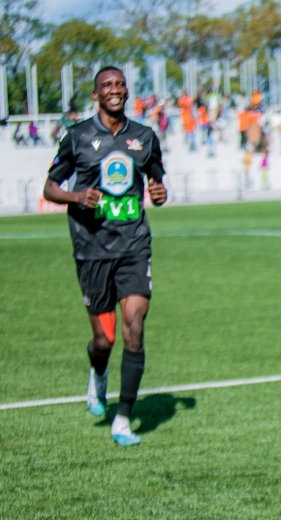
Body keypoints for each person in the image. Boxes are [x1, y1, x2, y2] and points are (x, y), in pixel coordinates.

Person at [42, 66, 167, 446]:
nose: (114, 90)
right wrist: (78, 197)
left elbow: (156, 178)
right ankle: (98, 376)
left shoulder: (144, 137)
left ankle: (123, 419)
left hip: (133, 244)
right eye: (106, 86)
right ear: (95, 95)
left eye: (120, 84)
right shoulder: (77, 137)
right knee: (104, 341)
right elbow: (50, 188)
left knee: (134, 326)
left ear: (127, 92)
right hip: (92, 248)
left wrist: (159, 191)